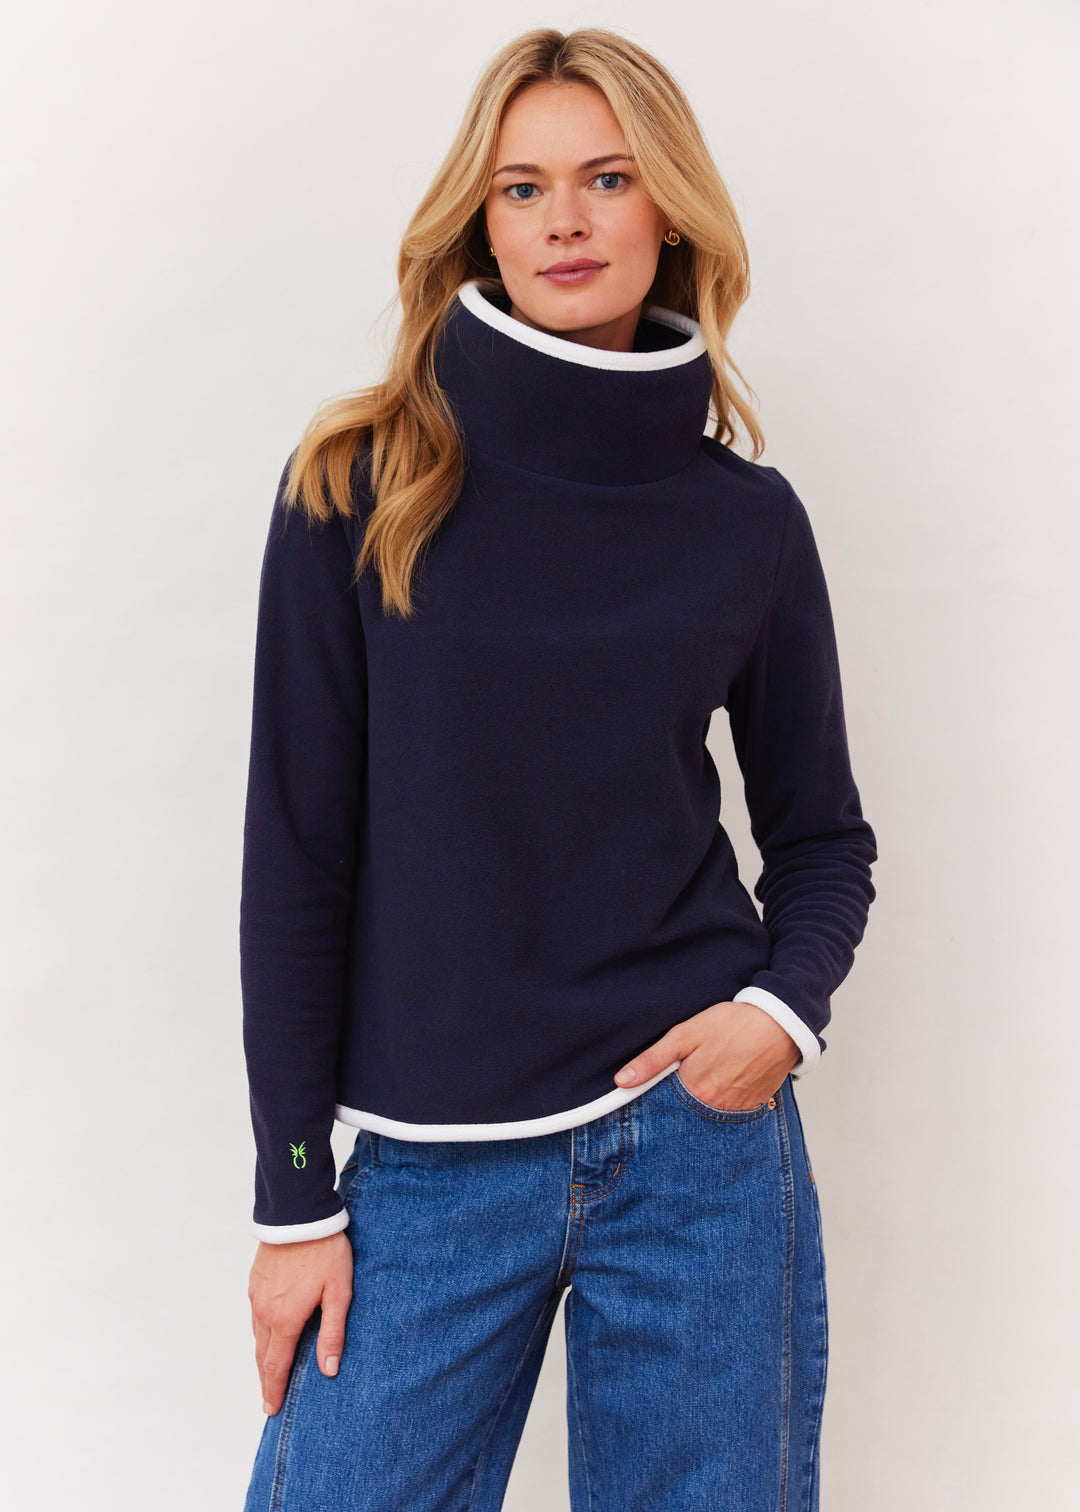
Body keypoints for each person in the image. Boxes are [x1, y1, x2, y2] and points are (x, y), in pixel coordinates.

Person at [239, 25, 878, 1512]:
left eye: (608, 178)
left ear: (672, 211)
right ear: (482, 223)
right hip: (429, 1165)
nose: (566, 221)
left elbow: (822, 836)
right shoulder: (360, 484)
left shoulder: (746, 523)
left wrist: (780, 1014)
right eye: (523, 189)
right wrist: (292, 1203)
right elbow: (297, 858)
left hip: (699, 1153)